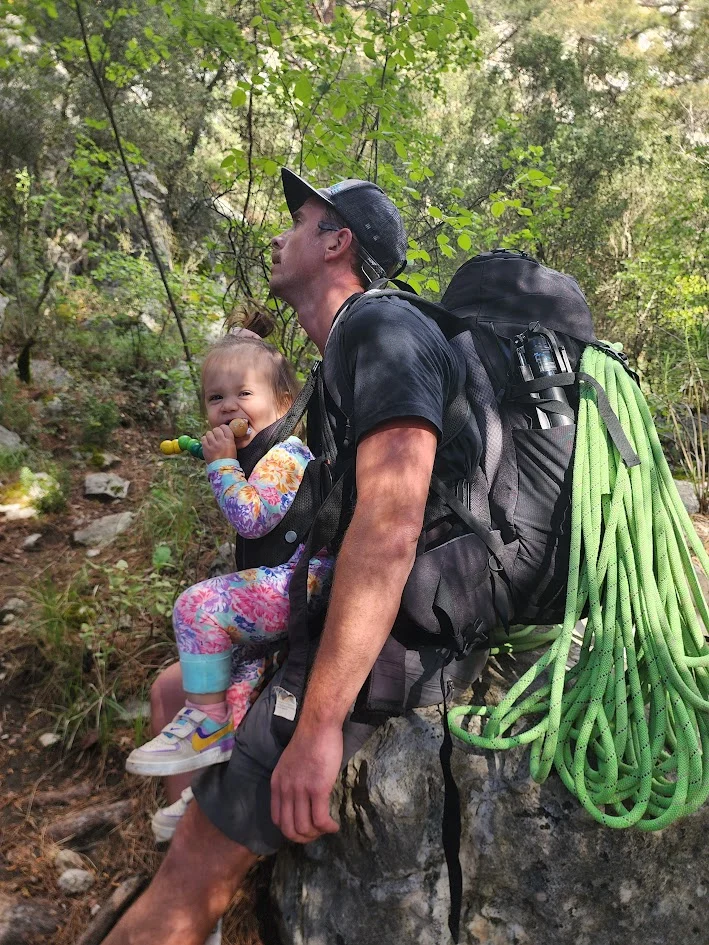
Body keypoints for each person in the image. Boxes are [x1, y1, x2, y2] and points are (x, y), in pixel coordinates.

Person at [105, 170, 488, 945]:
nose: (278, 237)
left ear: (336, 241)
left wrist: (317, 728)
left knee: (191, 874)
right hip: (340, 603)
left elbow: (387, 527)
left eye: (298, 221)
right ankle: (187, 812)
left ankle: (190, 876)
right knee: (175, 687)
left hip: (402, 629)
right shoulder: (338, 361)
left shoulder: (381, 332)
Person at [128, 333, 332, 831]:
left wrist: (219, 465)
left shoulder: (285, 454)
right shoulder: (256, 454)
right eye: (215, 398)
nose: (227, 407)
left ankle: (204, 720)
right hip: (286, 582)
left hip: (302, 584)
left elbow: (253, 518)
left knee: (197, 606)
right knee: (236, 672)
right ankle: (205, 796)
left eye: (243, 394)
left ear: (283, 402)